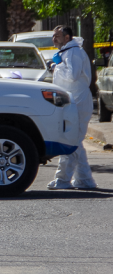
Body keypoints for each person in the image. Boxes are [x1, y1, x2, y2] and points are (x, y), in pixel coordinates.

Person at [47, 25, 97, 189]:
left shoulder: (73, 52)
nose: (54, 39)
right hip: (72, 101)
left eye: (57, 36)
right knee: (75, 142)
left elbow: (72, 76)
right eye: (53, 36)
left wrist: (56, 66)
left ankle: (63, 179)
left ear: (67, 37)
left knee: (70, 140)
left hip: (78, 101)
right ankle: (84, 179)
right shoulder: (68, 52)